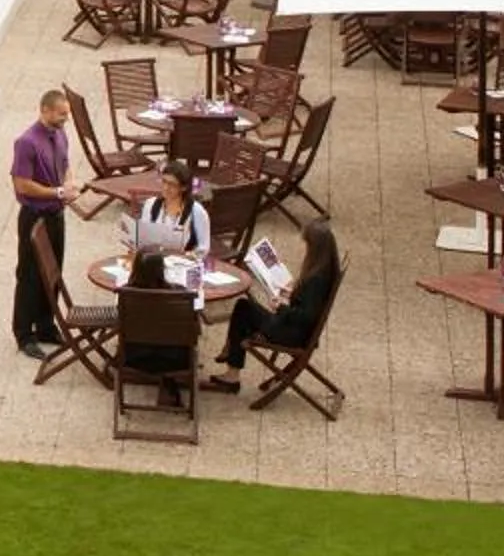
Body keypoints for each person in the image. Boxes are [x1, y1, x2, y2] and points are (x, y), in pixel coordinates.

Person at [203, 217, 340, 393]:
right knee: (244, 308)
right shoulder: (324, 271)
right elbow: (309, 304)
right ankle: (230, 352)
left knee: (243, 309)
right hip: (295, 329)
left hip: (291, 333)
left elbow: (306, 316)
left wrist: (281, 307)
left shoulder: (316, 279)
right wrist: (293, 295)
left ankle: (231, 371)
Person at [10, 87, 83, 360]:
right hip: (34, 216)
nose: (65, 119)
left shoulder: (61, 134)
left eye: (66, 114)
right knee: (29, 275)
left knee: (54, 272)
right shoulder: (26, 142)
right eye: (61, 114)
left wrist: (67, 183)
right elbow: (22, 184)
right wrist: (57, 192)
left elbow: (64, 164)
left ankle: (45, 326)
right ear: (45, 110)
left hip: (56, 215)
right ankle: (23, 333)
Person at [114, 248, 195, 404]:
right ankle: (169, 383)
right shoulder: (179, 295)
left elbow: (120, 322)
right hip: (177, 360)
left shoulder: (126, 295)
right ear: (162, 270)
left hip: (133, 357)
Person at [125, 164, 213, 258]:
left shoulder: (197, 212)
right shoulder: (151, 204)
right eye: (164, 182)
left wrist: (186, 257)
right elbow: (144, 238)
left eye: (172, 184)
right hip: (154, 260)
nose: (166, 188)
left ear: (183, 188)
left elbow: (203, 248)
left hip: (183, 264)